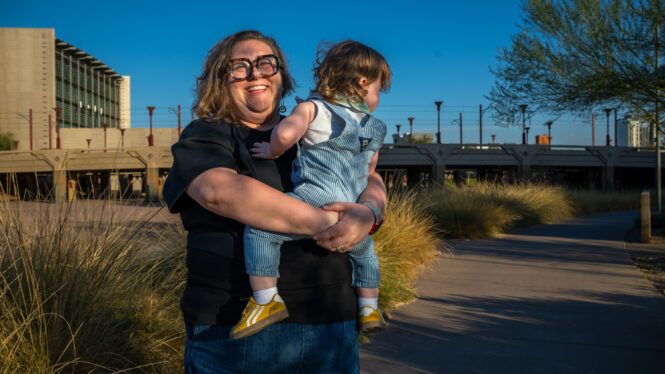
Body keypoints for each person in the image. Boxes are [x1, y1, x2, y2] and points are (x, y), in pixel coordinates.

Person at [162, 30, 387, 373]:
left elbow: (370, 176)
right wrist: (334, 226)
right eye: (240, 67)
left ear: (281, 76)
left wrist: (368, 213)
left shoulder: (310, 130)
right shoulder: (206, 135)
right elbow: (219, 191)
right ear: (219, 82)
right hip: (234, 333)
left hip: (331, 323)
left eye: (267, 64)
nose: (255, 74)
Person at [231, 41, 390, 340]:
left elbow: (287, 133)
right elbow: (371, 170)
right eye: (379, 90)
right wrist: (364, 208)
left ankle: (266, 300)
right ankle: (369, 306)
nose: (378, 98)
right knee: (364, 249)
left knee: (261, 231)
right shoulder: (376, 127)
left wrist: (272, 148)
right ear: (363, 83)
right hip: (350, 204)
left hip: (316, 195)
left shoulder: (313, 108)